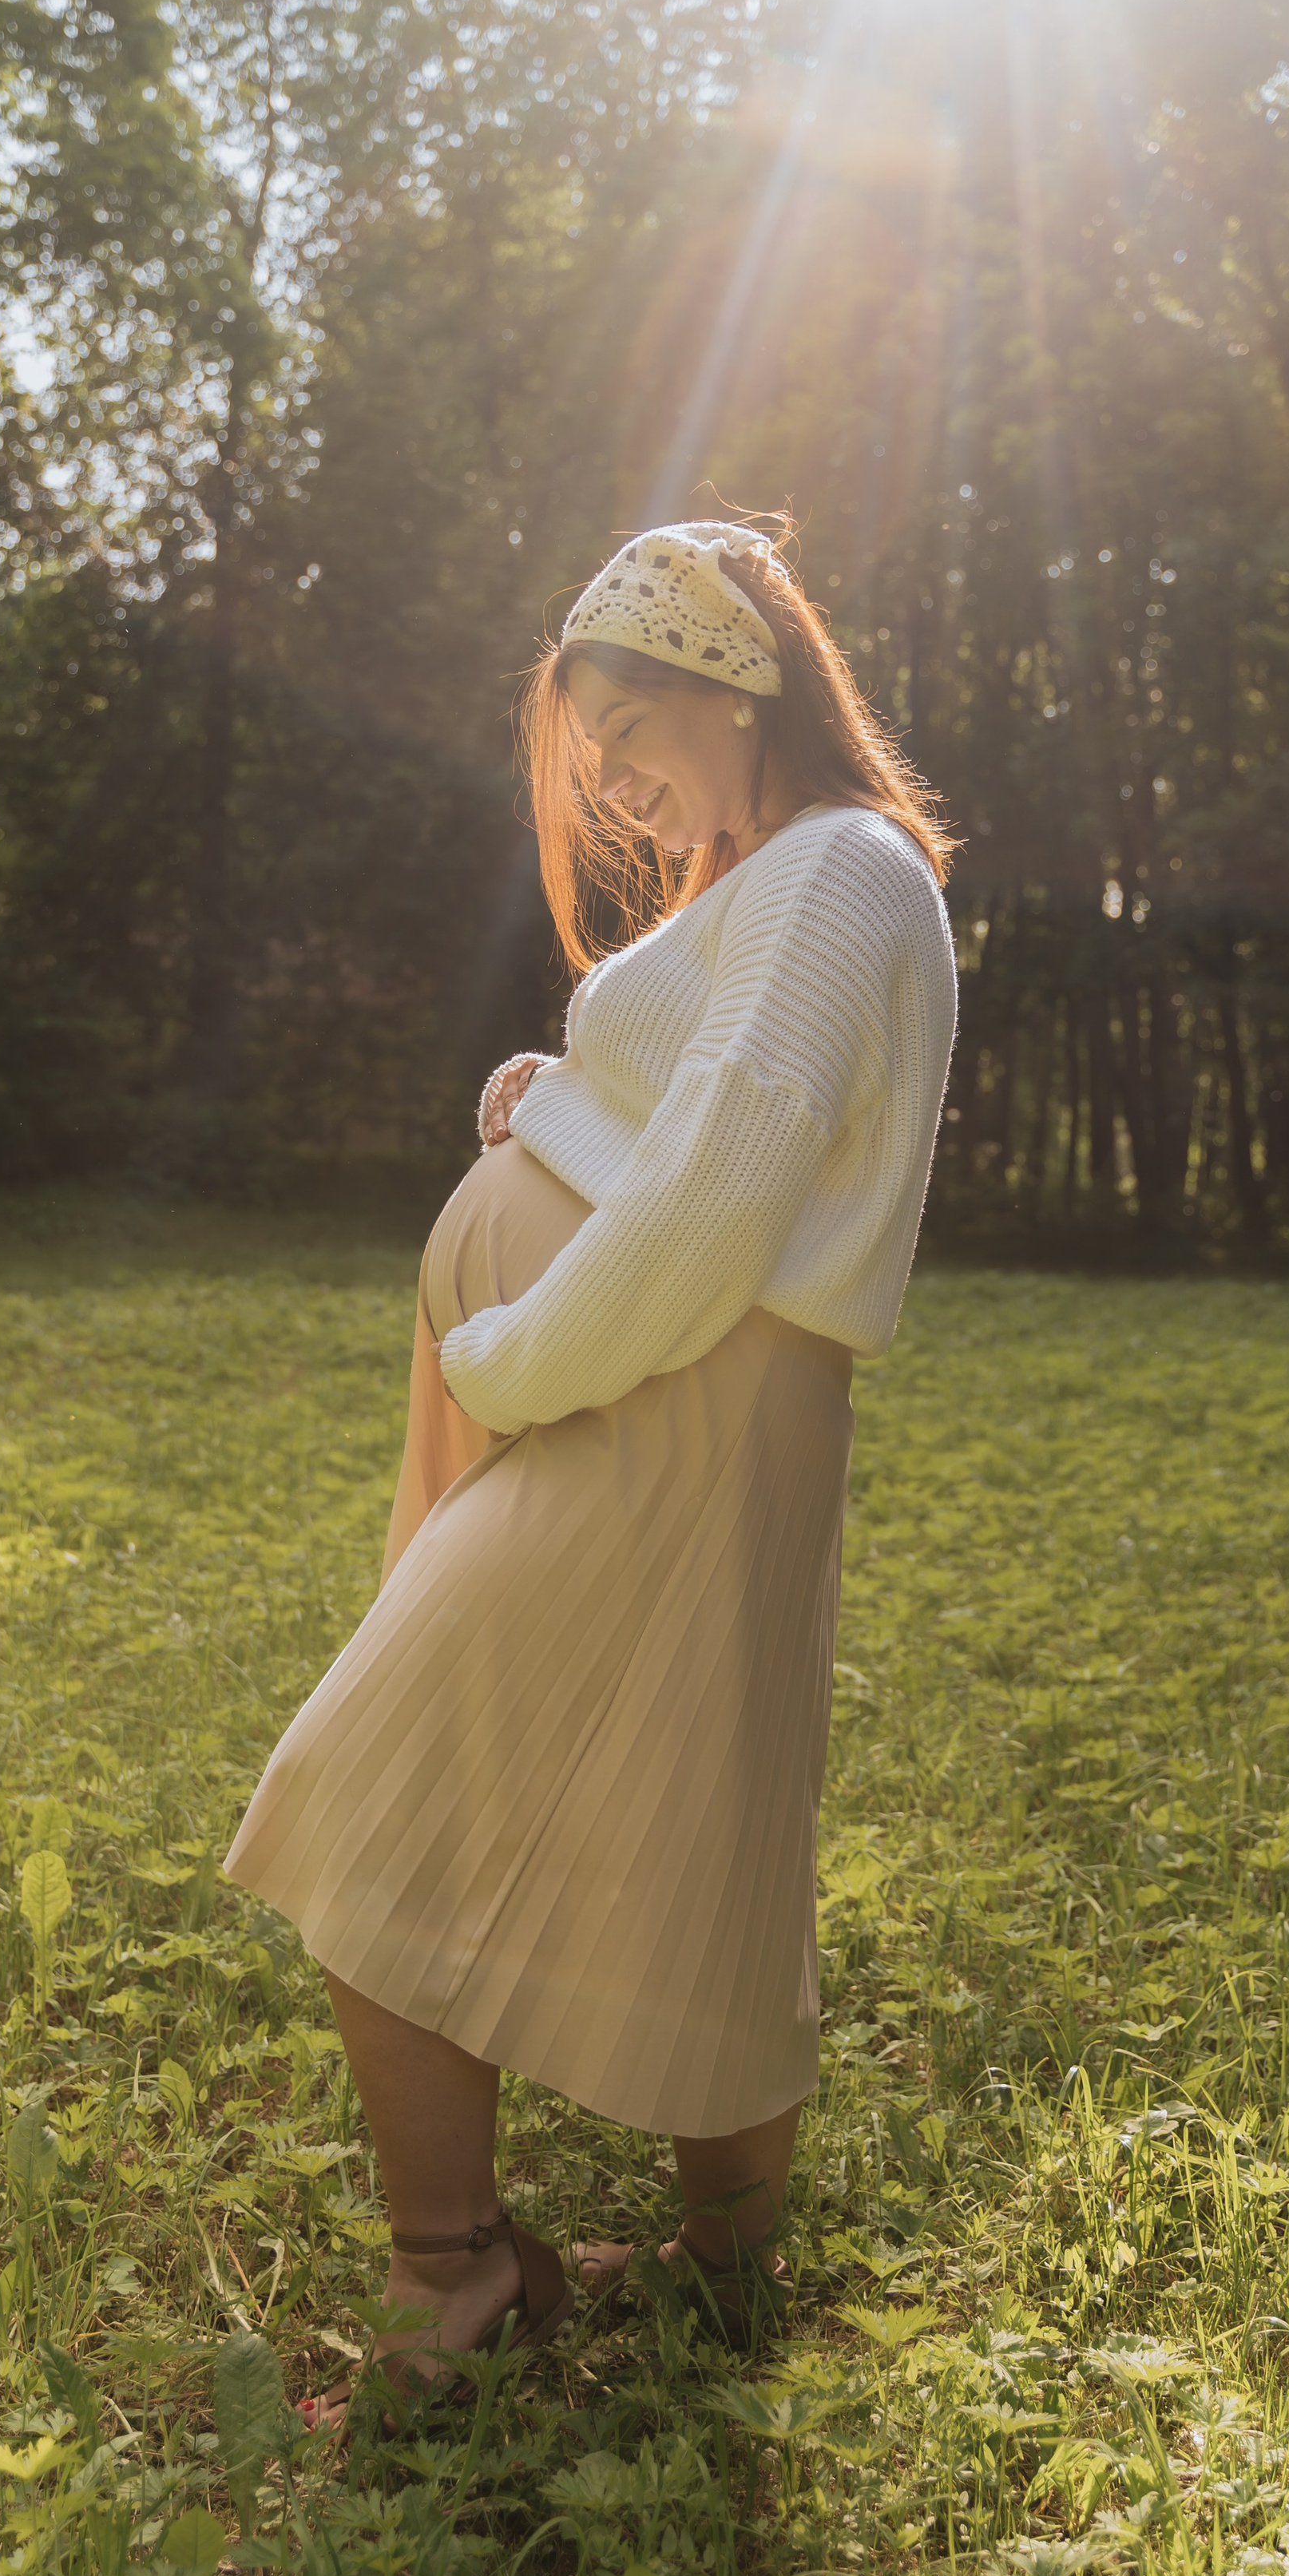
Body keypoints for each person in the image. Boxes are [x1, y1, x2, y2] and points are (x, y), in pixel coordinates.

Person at [225, 520, 958, 2420]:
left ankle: (452, 2271)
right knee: (695, 1795)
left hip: (662, 1394)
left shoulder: (836, 867)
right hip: (676, 1392)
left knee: (369, 1783)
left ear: (745, 682)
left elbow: (723, 1195)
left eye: (631, 726)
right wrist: (547, 1105)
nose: (613, 776)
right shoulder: (782, 884)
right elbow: (687, 1123)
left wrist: (503, 1360)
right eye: (589, 743)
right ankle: (716, 2254)